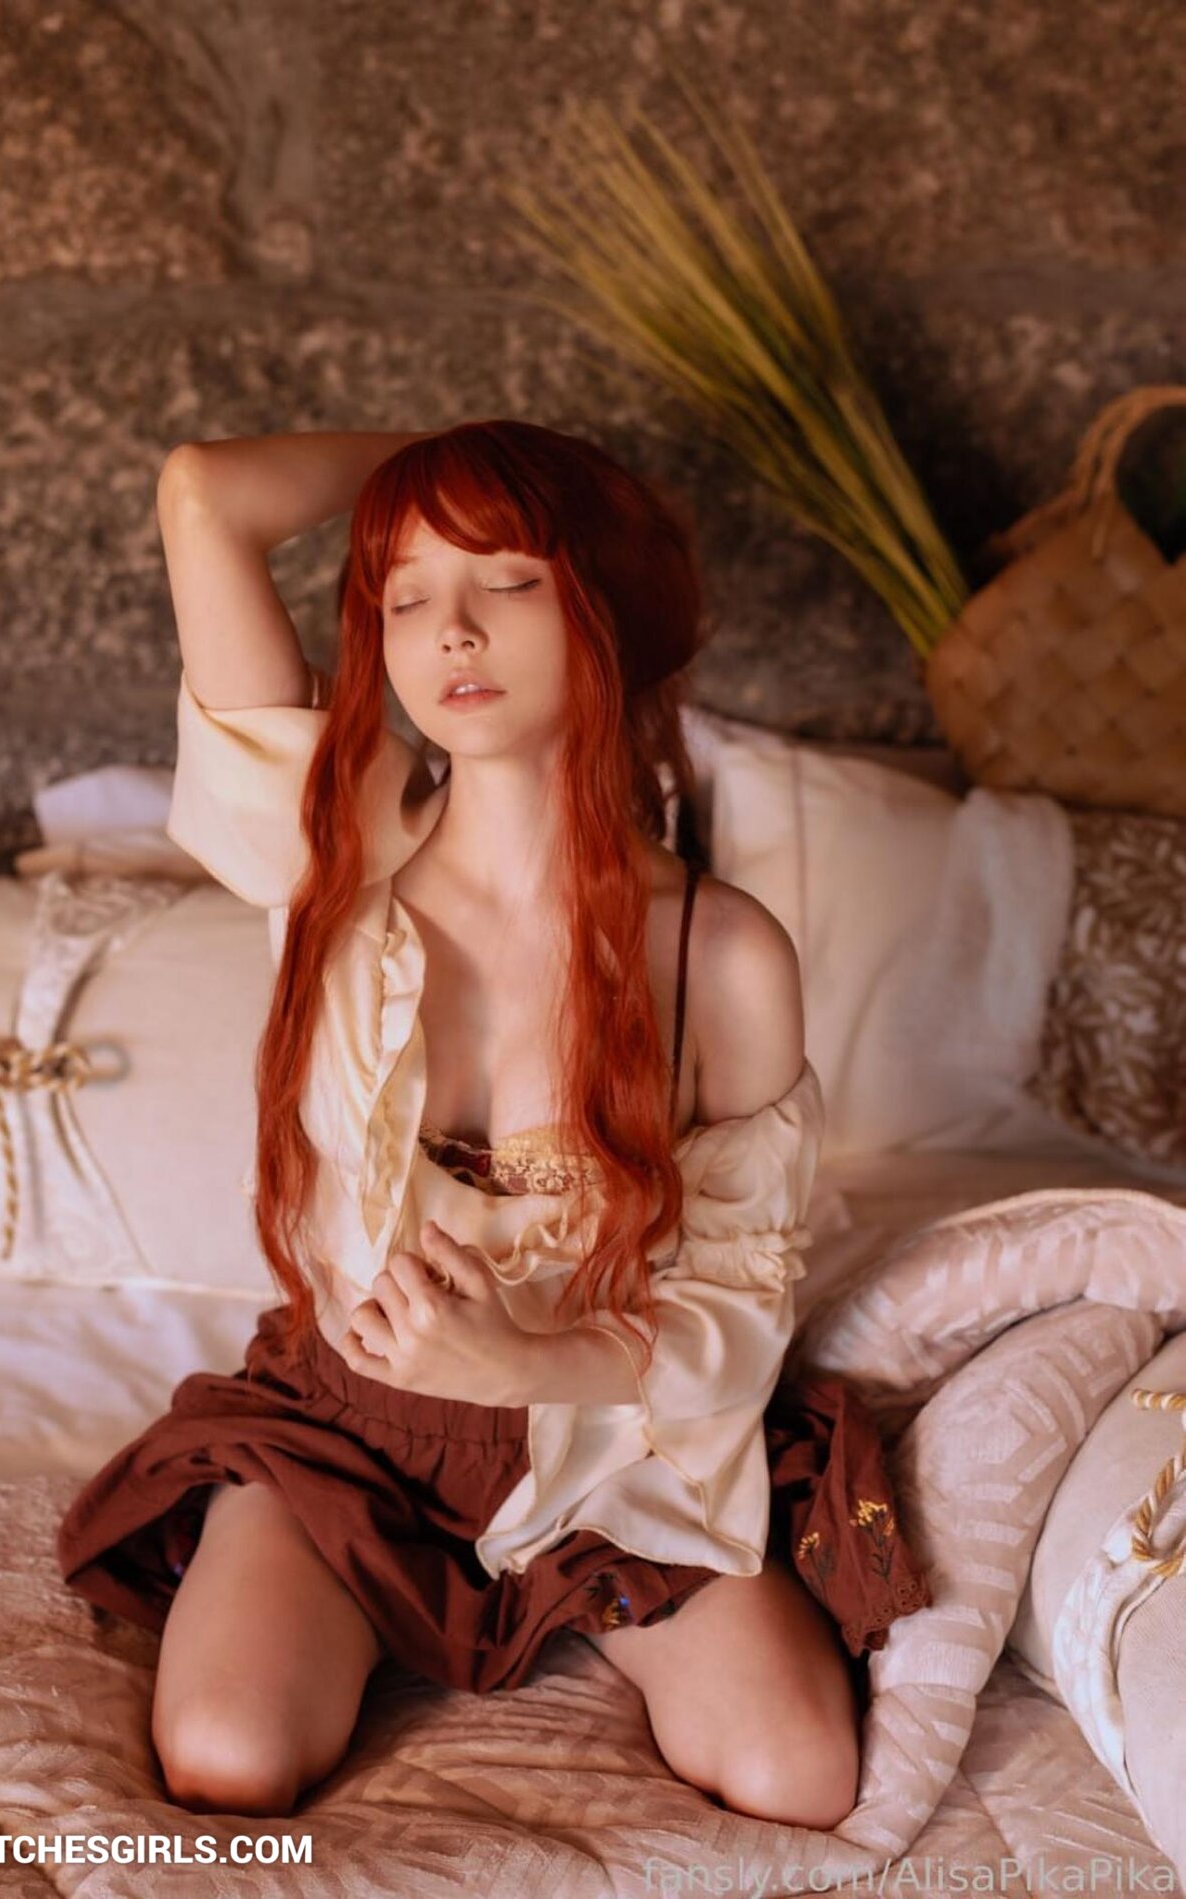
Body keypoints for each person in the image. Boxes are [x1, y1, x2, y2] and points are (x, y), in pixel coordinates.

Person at [55, 419, 931, 1826]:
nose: (450, 631)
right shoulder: (332, 846)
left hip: (609, 1444)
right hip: (349, 1433)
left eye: (508, 580)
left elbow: (736, 1302)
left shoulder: (719, 952)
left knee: (799, 1772)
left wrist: (520, 1358)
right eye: (405, 597)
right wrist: (450, 458)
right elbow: (201, 494)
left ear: (603, 604)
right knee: (227, 1757)